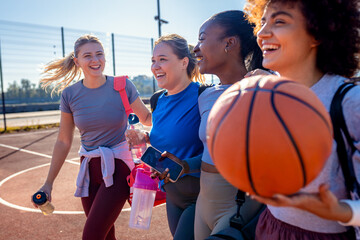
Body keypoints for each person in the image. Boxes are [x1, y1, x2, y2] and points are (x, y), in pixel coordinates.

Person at [244, 0, 360, 239]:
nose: (262, 33)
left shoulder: (349, 102)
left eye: (279, 21)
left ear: (317, 32)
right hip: (269, 226)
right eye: (263, 22)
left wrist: (340, 210)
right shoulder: (264, 94)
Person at [33, 34, 151, 240]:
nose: (95, 60)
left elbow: (148, 118)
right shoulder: (69, 95)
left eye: (99, 54)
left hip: (119, 167)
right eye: (88, 56)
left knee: (92, 235)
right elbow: (63, 140)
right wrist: (48, 183)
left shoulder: (123, 86)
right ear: (77, 61)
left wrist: (171, 100)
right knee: (105, 235)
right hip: (88, 168)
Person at [186, 10, 264, 240]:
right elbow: (210, 153)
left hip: (238, 207)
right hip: (204, 203)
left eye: (202, 38)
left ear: (229, 43)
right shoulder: (205, 96)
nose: (195, 48)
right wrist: (183, 164)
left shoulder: (264, 90)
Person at [129, 33, 204, 240]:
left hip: (199, 195)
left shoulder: (204, 96)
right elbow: (171, 138)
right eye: (153, 61)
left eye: (162, 59)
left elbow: (218, 151)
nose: (155, 66)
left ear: (184, 62)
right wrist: (145, 139)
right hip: (172, 195)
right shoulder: (157, 100)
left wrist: (185, 166)